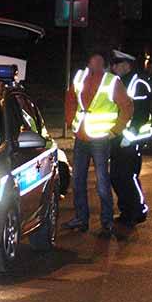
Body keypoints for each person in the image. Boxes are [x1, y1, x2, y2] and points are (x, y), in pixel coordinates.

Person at [61, 51, 133, 237]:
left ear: (105, 64)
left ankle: (106, 221)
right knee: (77, 180)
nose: (95, 65)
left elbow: (126, 106)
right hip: (82, 136)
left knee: (102, 183)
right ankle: (81, 218)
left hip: (100, 138)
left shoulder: (112, 82)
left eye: (99, 62)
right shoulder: (80, 77)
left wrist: (115, 130)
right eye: (93, 61)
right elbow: (70, 98)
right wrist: (70, 121)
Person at [110, 49, 151, 226]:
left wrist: (130, 135)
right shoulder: (118, 83)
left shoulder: (138, 83)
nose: (113, 68)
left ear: (126, 65)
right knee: (117, 176)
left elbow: (141, 113)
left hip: (133, 138)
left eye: (116, 64)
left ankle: (138, 210)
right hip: (119, 137)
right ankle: (127, 210)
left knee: (128, 176)